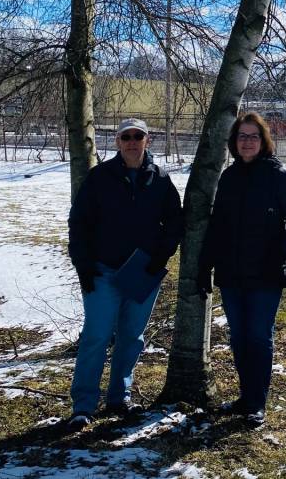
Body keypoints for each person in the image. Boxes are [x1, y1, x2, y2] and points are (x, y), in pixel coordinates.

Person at [66, 118, 183, 431]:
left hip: (143, 271)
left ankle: (119, 397)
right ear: (117, 142)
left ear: (147, 141)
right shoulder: (99, 177)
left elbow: (174, 222)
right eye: (126, 137)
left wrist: (159, 258)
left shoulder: (159, 178)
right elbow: (79, 224)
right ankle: (84, 405)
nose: (132, 142)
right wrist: (84, 265)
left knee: (131, 337)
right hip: (102, 271)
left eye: (138, 137)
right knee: (97, 336)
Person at [198, 112, 286, 427]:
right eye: (242, 136)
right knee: (239, 338)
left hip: (265, 275)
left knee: (259, 337)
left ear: (264, 141)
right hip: (231, 274)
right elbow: (217, 228)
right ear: (234, 142)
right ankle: (246, 397)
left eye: (253, 136)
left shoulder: (279, 177)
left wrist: (278, 254)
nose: (247, 142)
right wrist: (205, 268)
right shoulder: (229, 178)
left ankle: (257, 404)